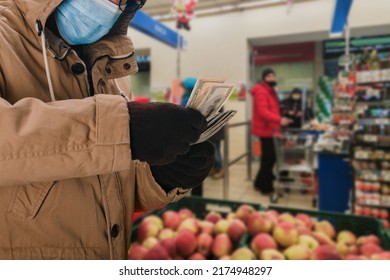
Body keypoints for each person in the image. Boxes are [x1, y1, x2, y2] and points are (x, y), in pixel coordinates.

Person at [0, 0, 215, 260]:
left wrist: (159, 177)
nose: (117, 4)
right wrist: (122, 129)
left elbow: (107, 183)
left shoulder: (111, 68)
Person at [250, 69, 291, 195]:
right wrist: (280, 120)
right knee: (269, 160)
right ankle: (266, 188)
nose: (272, 78)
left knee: (268, 160)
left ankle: (258, 183)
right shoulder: (262, 92)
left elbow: (272, 109)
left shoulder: (270, 91)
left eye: (273, 75)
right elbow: (263, 112)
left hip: (272, 129)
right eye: (269, 76)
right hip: (266, 131)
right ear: (264, 78)